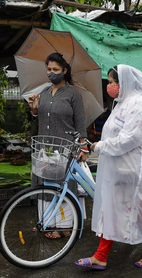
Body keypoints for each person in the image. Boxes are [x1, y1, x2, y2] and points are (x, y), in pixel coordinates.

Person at [75, 65, 142, 270]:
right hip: (119, 166)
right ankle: (101, 255)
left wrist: (99, 146)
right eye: (109, 82)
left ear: (124, 82)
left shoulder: (138, 105)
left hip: (137, 168)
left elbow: (129, 139)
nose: (110, 86)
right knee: (111, 208)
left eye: (113, 82)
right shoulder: (122, 103)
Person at [27, 52, 88, 239]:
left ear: (64, 71)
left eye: (55, 69)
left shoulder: (73, 95)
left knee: (63, 187)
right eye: (49, 69)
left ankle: (64, 226)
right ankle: (46, 221)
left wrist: (83, 146)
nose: (51, 73)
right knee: (44, 186)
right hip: (44, 148)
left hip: (65, 148)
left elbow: (80, 123)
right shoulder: (44, 93)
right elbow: (38, 120)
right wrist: (34, 109)